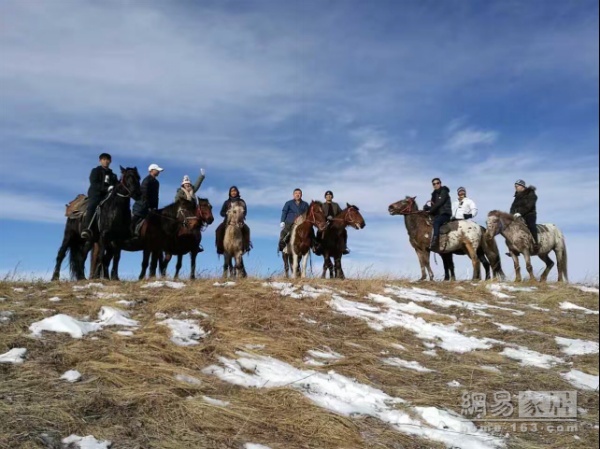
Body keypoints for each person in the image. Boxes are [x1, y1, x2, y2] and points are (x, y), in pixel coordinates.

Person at [81, 153, 118, 239]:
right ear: (100, 161)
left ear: (110, 161)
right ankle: (87, 228)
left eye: (107, 160)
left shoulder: (113, 175)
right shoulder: (95, 171)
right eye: (104, 159)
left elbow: (116, 185)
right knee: (92, 206)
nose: (106, 161)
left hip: (108, 196)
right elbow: (94, 183)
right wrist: (106, 188)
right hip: (96, 194)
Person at [131, 163, 164, 237]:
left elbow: (156, 197)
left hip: (151, 207)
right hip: (141, 206)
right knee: (135, 220)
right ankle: (131, 234)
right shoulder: (147, 180)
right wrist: (148, 206)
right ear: (151, 170)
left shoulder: (156, 182)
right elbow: (144, 194)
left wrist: (155, 207)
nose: (159, 172)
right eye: (157, 170)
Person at [215, 186, 250, 255]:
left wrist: (241, 215)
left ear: (237, 192)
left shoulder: (241, 202)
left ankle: (246, 246)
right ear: (229, 193)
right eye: (232, 191)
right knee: (218, 230)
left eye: (235, 191)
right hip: (227, 222)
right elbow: (221, 212)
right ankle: (220, 248)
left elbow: (245, 212)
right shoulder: (226, 202)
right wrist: (227, 213)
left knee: (247, 229)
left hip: (239, 221)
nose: (233, 192)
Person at [313, 190, 349, 255]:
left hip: (335, 222)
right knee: (319, 231)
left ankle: (344, 247)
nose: (328, 196)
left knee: (344, 231)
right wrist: (325, 218)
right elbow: (320, 214)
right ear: (325, 197)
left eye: (330, 195)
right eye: (327, 195)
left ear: (332, 197)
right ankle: (317, 246)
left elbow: (340, 213)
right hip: (325, 222)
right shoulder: (322, 205)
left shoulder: (336, 205)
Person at [510, 179, 539, 253]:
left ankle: (536, 243)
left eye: (517, 186)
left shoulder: (531, 194)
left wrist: (520, 212)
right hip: (518, 216)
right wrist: (511, 215)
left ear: (522, 186)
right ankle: (514, 247)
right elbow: (513, 207)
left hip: (529, 214)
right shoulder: (517, 196)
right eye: (515, 186)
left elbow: (529, 205)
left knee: (531, 225)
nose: (515, 187)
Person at [424, 177, 452, 251]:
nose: (436, 185)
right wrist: (427, 207)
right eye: (434, 184)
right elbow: (434, 206)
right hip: (437, 214)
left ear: (440, 183)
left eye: (437, 183)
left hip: (445, 214)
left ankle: (435, 241)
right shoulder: (434, 195)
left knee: (436, 222)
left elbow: (439, 203)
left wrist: (430, 210)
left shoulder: (444, 191)